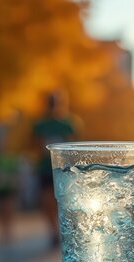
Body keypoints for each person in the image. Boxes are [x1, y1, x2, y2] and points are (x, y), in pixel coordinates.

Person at [33, 92, 78, 248]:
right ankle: (54, 232)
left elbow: (73, 145)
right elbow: (36, 145)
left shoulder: (68, 124)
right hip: (46, 167)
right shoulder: (41, 124)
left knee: (64, 200)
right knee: (47, 201)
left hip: (63, 168)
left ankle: (60, 231)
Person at [0, 152, 20, 244]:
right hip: (1, 187)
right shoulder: (0, 158)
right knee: (2, 210)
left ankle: (7, 231)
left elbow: (15, 173)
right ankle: (5, 231)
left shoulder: (11, 158)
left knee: (7, 209)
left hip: (8, 187)